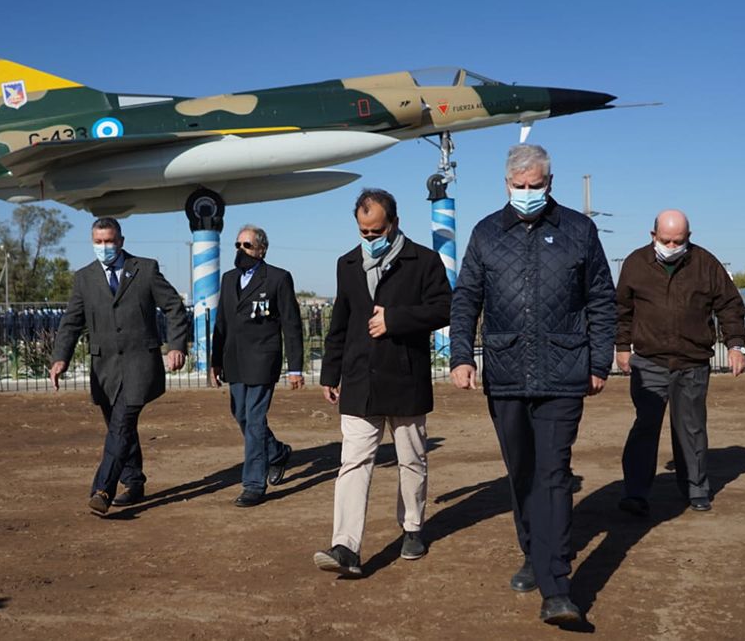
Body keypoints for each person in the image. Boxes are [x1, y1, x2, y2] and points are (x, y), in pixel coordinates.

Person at [450, 144, 616, 626]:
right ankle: (533, 553)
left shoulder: (579, 230)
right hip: (506, 372)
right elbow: (466, 299)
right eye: (519, 186)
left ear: (550, 183)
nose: (527, 193)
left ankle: (557, 586)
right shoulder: (486, 233)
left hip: (564, 372)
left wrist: (599, 361)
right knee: (521, 472)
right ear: (506, 185)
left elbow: (601, 299)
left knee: (553, 473)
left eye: (535, 185)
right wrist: (461, 356)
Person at [313, 189, 452, 578]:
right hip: (360, 379)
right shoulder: (347, 263)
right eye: (364, 232)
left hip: (406, 378)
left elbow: (445, 308)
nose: (370, 238)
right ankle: (345, 546)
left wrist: (396, 319)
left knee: (412, 459)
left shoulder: (423, 260)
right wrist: (330, 373)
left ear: (394, 223)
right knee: (353, 462)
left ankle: (412, 528)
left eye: (377, 231)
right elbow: (340, 322)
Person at [50, 217, 190, 516]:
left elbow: (174, 307)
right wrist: (61, 357)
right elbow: (71, 322)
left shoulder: (145, 269)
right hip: (105, 369)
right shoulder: (84, 278)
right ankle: (134, 481)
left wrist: (176, 345)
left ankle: (102, 490)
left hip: (140, 365)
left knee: (122, 424)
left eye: (110, 241)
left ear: (121, 241)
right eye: (99, 242)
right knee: (120, 427)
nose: (105, 247)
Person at [616, 210, 745, 519]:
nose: (672, 246)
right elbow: (621, 308)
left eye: (679, 240)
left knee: (691, 426)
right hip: (649, 361)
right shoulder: (635, 263)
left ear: (689, 236)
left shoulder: (705, 263)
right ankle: (635, 493)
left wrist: (735, 344)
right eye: (666, 240)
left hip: (692, 361)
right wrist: (621, 347)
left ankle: (695, 488)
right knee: (645, 426)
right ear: (653, 236)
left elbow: (729, 304)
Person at [210, 224, 304, 507]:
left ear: (261, 250)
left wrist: (295, 368)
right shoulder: (228, 279)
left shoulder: (277, 278)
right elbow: (221, 322)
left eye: (247, 245)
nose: (241, 250)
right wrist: (216, 361)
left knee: (254, 420)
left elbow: (291, 324)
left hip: (263, 359)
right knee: (240, 414)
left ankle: (253, 484)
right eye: (238, 245)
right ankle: (277, 453)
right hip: (234, 360)